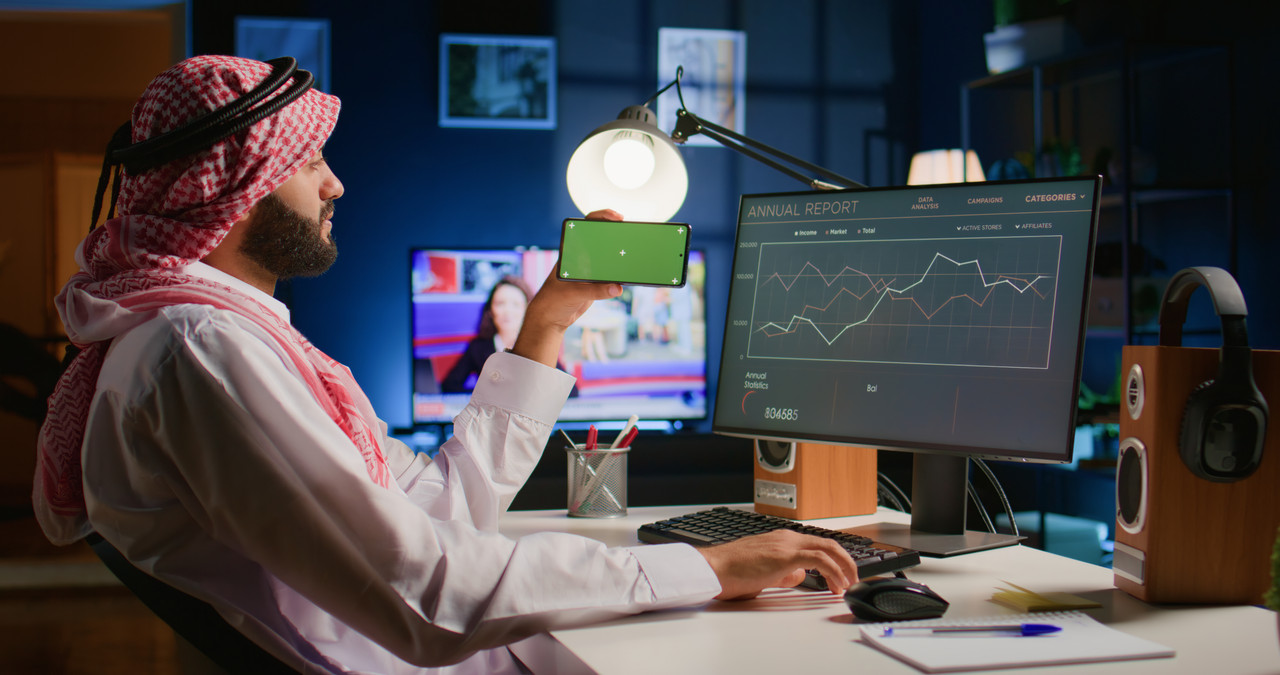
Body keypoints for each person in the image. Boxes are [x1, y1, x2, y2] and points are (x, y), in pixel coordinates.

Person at [32, 55, 858, 674]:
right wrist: (706, 566)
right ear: (238, 184)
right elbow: (428, 591)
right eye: (311, 163)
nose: (337, 185)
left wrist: (546, 322)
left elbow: (440, 512)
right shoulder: (200, 352)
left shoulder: (213, 338)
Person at [441, 275, 531, 393]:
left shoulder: (540, 346)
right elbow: (450, 385)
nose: (507, 311)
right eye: (500, 304)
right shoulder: (478, 347)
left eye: (515, 304)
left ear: (528, 310)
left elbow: (562, 391)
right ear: (490, 311)